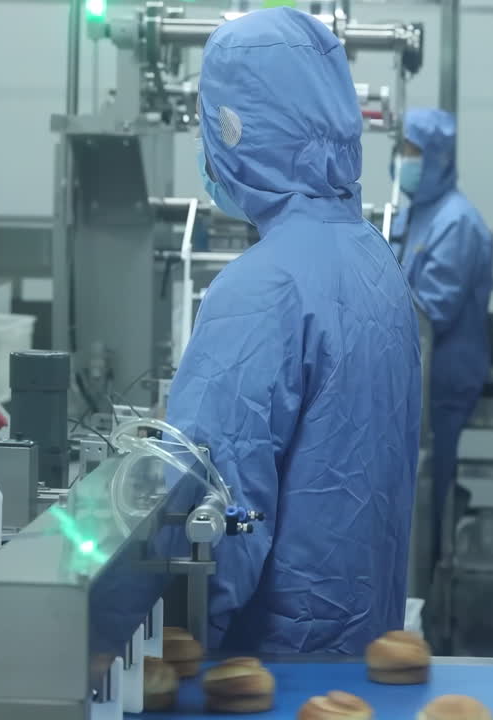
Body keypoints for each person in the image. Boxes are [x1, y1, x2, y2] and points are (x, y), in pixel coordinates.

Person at [167, 8, 422, 655]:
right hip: (363, 652)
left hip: (271, 668)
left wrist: (173, 645)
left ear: (238, 128)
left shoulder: (261, 290)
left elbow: (211, 527)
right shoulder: (374, 259)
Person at [391, 108, 493, 559]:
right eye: (401, 149)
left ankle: (427, 587)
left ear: (435, 158)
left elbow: (433, 311)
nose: (402, 160)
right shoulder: (413, 212)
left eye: (411, 151)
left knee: (428, 489)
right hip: (413, 376)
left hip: (443, 379)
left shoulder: (457, 222)